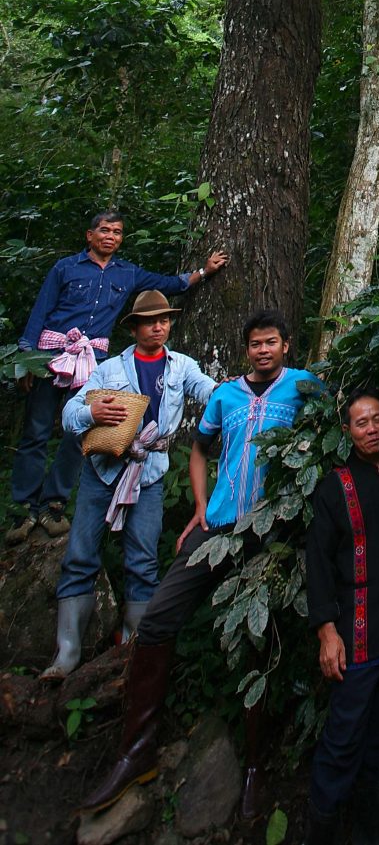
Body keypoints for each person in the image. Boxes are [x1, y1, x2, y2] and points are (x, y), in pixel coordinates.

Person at [79, 310, 324, 820]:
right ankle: (136, 750)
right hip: (216, 527)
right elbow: (199, 448)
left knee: (257, 640)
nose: (262, 350)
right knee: (159, 617)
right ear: (246, 349)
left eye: (271, 342)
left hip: (269, 533)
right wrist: (198, 506)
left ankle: (255, 766)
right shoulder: (224, 395)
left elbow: (330, 435)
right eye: (254, 343)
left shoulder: (304, 386)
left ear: (286, 345)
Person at [7, 211, 226, 545]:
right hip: (51, 355)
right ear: (90, 235)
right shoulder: (66, 268)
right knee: (36, 430)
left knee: (79, 435)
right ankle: (23, 509)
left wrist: (203, 272)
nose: (110, 236)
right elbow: (41, 309)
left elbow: (167, 283)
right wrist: (26, 358)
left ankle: (54, 505)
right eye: (104, 230)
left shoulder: (127, 273)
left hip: (92, 362)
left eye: (117, 232)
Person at [42, 291, 218, 680]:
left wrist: (243, 389)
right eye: (150, 321)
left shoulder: (181, 366)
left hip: (149, 470)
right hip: (103, 470)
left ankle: (134, 642)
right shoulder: (109, 369)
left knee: (143, 558)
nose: (159, 326)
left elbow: (210, 391)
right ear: (135, 328)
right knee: (81, 553)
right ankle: (67, 651)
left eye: (165, 320)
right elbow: (71, 412)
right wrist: (92, 410)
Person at [304, 387, 379, 845]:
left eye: (377, 419)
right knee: (342, 740)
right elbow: (318, 562)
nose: (371, 429)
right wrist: (326, 630)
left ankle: (370, 830)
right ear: (347, 431)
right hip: (357, 638)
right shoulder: (336, 486)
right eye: (361, 422)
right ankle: (321, 828)